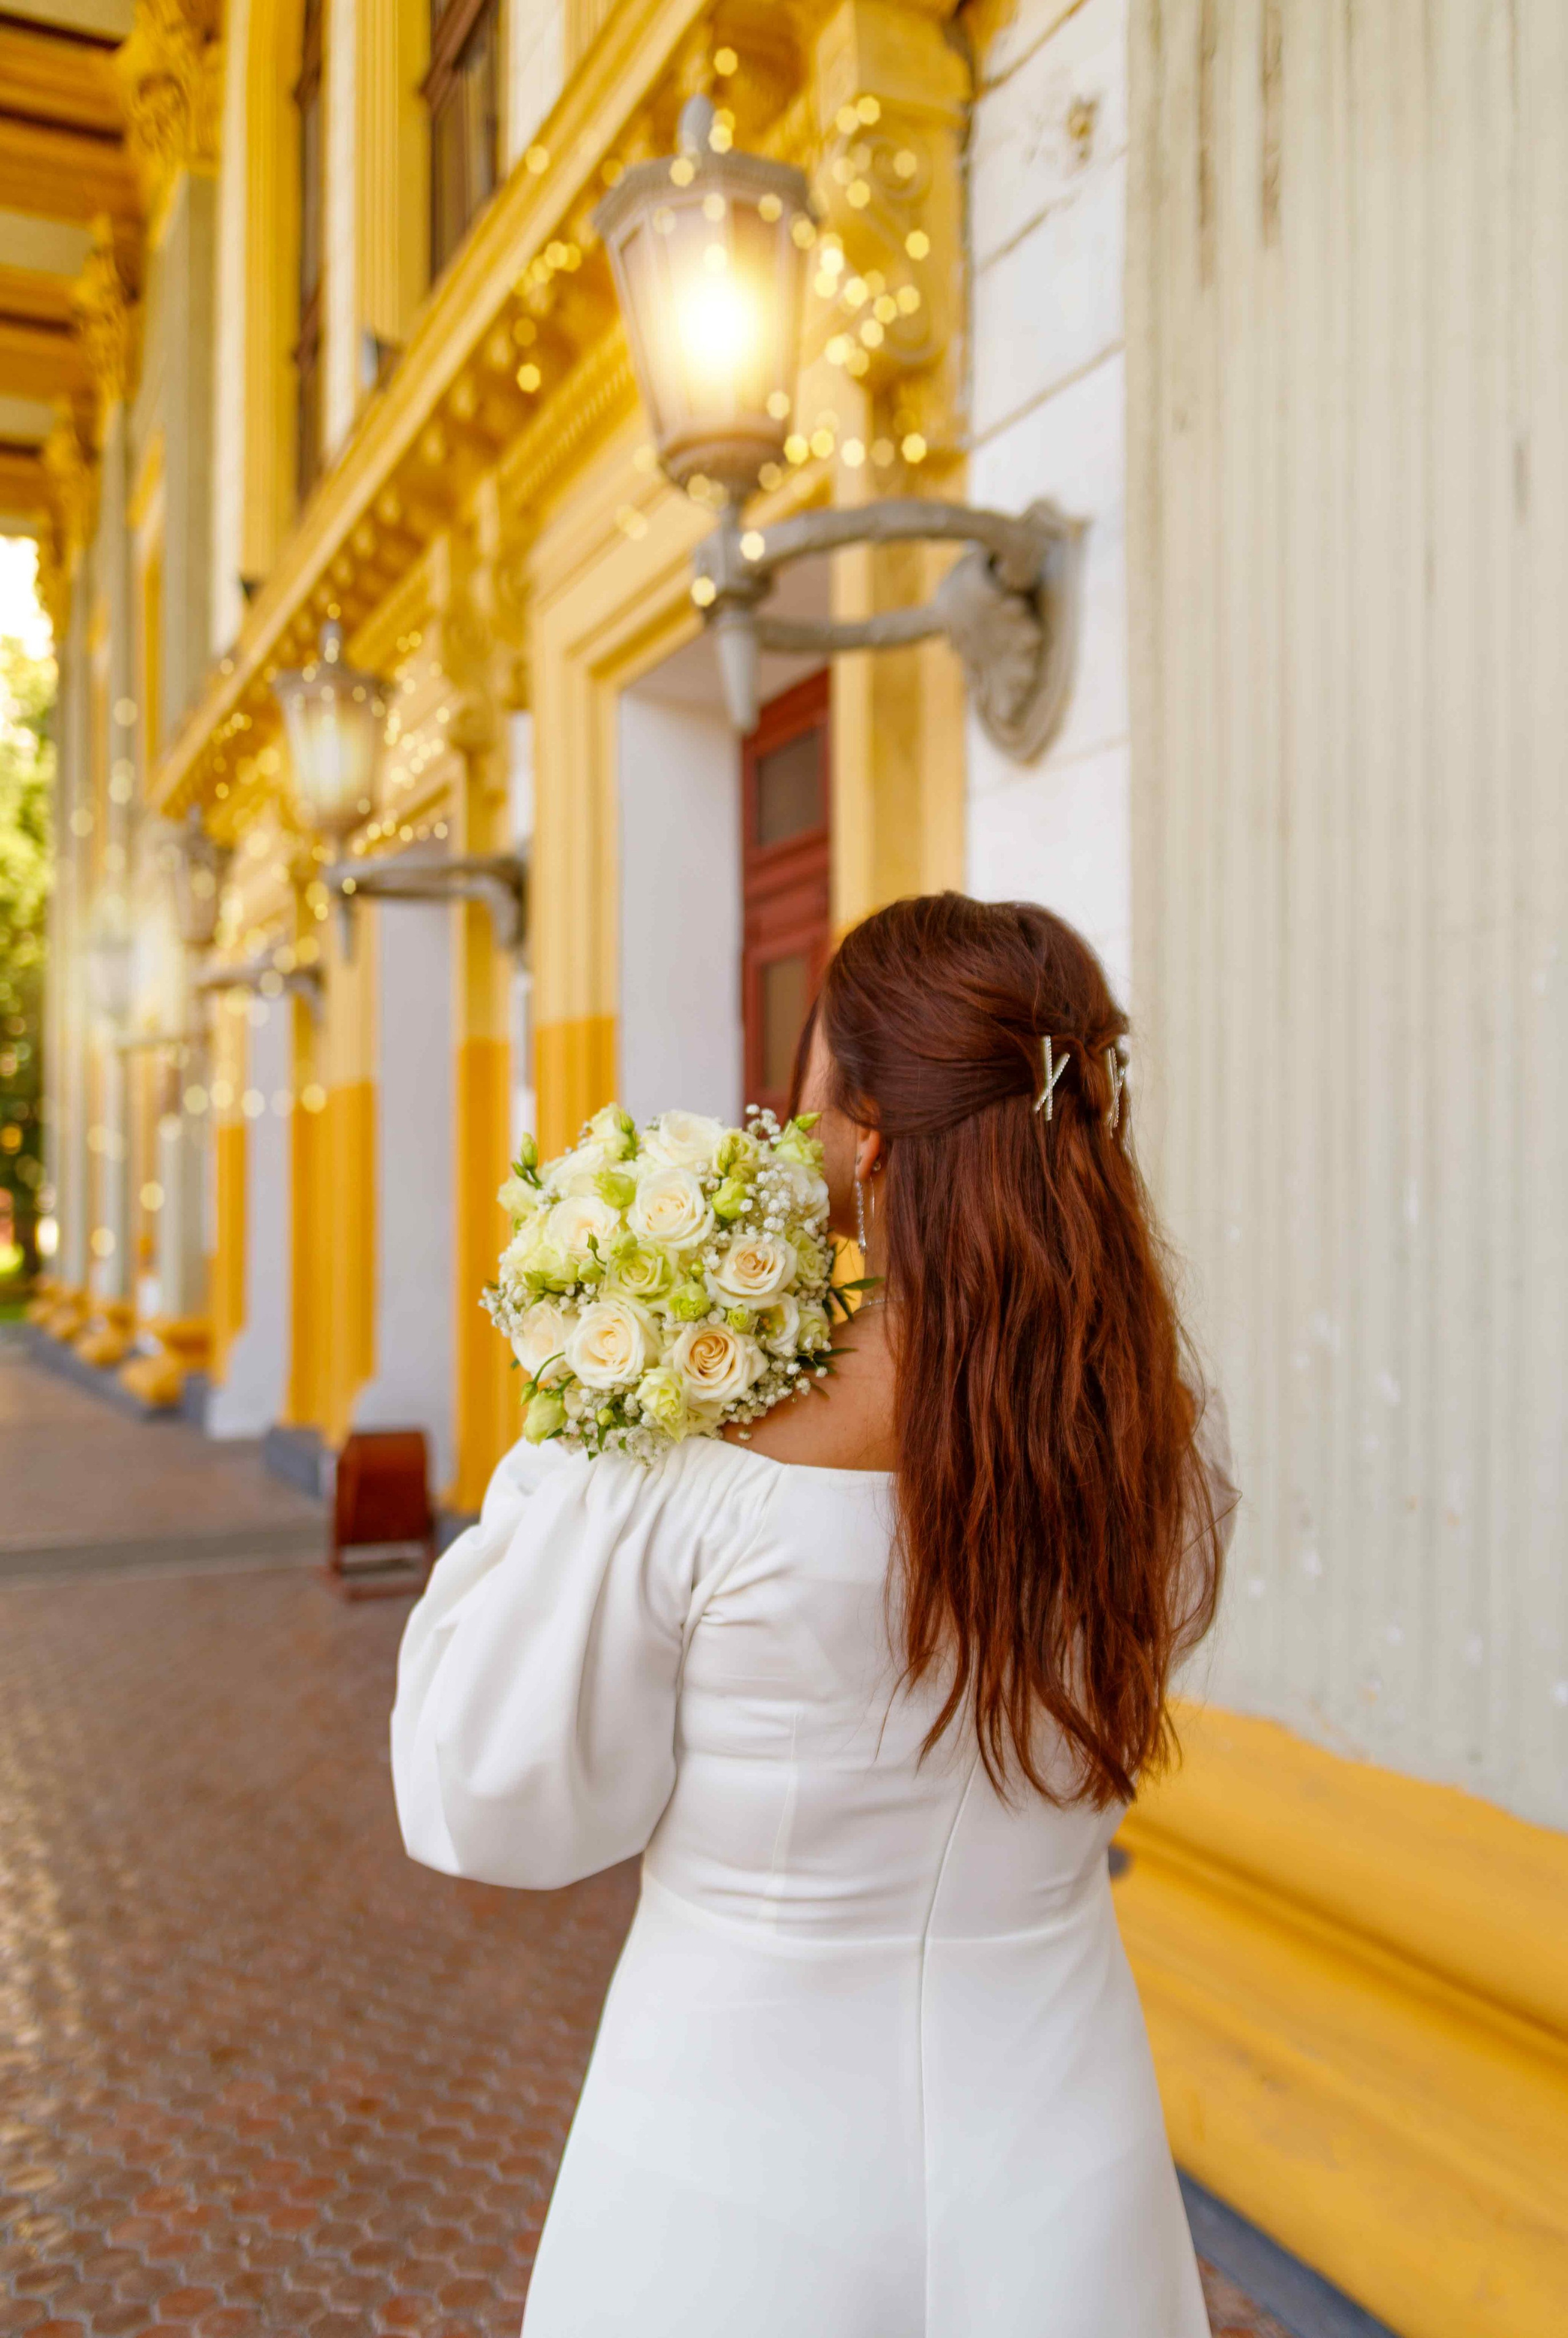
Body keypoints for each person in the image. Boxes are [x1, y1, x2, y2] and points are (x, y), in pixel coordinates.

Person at [391, 891, 1237, 2337]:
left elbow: (485, 1797)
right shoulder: (1145, 1448)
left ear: (864, 1139)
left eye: (807, 1072)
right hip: (1059, 2147)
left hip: (733, 2166)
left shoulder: (689, 1466)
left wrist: (566, 1438)